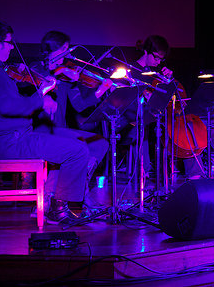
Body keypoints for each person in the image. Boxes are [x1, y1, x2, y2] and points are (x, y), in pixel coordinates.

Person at [0, 19, 90, 225]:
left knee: (79, 145)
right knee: (78, 151)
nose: (11, 47)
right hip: (11, 141)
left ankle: (59, 205)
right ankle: (58, 210)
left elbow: (11, 102)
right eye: (9, 43)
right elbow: (9, 106)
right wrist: (42, 93)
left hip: (15, 137)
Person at [27, 31, 112, 212]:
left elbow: (80, 105)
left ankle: (80, 191)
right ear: (53, 48)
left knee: (100, 143)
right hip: (40, 132)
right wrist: (51, 88)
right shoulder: (36, 68)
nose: (70, 54)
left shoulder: (67, 76)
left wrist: (100, 91)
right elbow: (37, 80)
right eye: (65, 49)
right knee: (75, 148)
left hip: (61, 130)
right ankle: (59, 200)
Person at [112, 35, 173, 176]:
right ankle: (143, 170)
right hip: (130, 117)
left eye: (161, 59)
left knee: (174, 121)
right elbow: (120, 99)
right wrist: (141, 94)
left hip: (152, 115)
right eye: (156, 57)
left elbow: (165, 97)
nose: (158, 62)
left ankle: (169, 169)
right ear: (145, 51)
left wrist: (169, 80)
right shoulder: (130, 70)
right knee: (142, 124)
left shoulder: (156, 73)